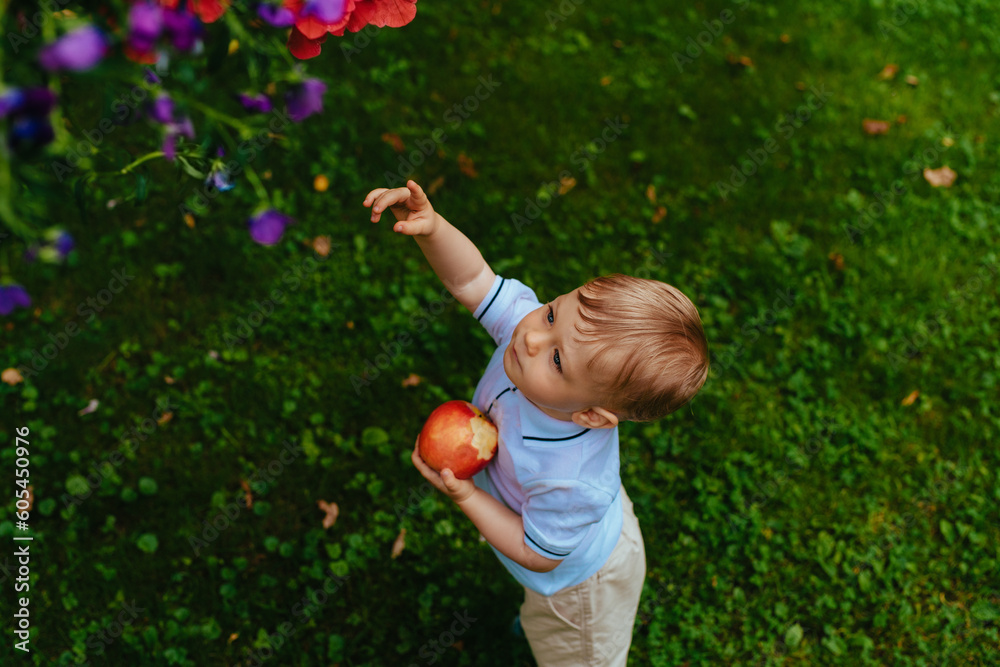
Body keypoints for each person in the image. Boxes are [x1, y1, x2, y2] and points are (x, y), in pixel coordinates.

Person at [363, 180, 710, 666]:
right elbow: (471, 281)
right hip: (563, 521)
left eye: (558, 360)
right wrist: (434, 229)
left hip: (580, 585)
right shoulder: (530, 336)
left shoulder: (570, 479)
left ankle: (555, 629)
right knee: (540, 607)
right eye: (551, 314)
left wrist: (468, 496)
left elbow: (537, 553)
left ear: (591, 415)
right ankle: (536, 615)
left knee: (577, 655)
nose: (529, 337)